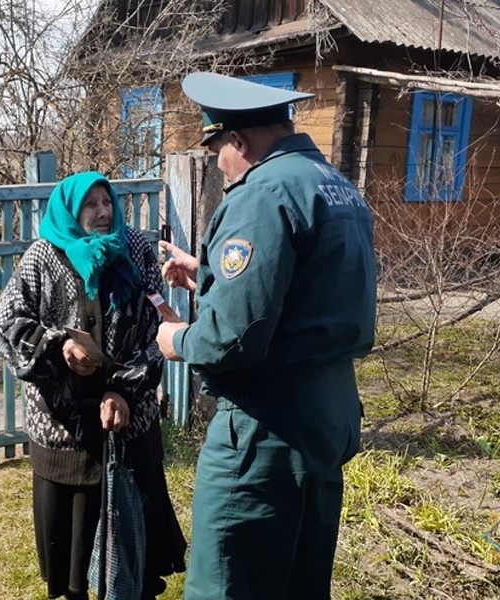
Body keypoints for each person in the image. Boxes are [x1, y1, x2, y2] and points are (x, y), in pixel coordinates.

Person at [156, 72, 377, 599]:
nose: (217, 164)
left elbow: (232, 338)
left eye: (216, 150)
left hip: (264, 431)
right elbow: (307, 282)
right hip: (327, 414)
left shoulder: (261, 193)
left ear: (239, 140)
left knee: (227, 583)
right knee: (299, 578)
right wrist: (208, 269)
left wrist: (177, 339)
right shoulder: (336, 185)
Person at [0, 171, 186, 600]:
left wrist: (122, 389)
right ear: (70, 212)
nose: (102, 212)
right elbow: (5, 326)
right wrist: (57, 347)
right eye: (90, 205)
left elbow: (158, 329)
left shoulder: (133, 249)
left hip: (130, 424)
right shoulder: (43, 256)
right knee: (75, 565)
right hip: (65, 432)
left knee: (134, 553)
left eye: (107, 202)